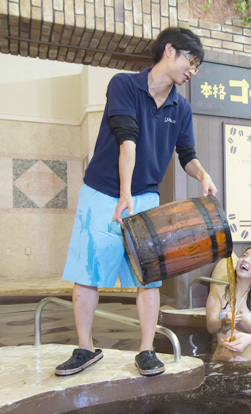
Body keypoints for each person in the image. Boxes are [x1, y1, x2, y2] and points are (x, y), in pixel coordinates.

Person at [56, 27, 217, 377]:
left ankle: (145, 350)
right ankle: (85, 348)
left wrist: (202, 174)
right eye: (192, 61)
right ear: (170, 51)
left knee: (150, 279)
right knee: (87, 275)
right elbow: (127, 139)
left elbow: (186, 154)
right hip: (101, 191)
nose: (194, 70)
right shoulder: (124, 85)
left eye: (198, 65)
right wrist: (123, 192)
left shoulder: (181, 106)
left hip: (145, 195)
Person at [205, 247, 251, 362]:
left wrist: (242, 320)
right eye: (244, 255)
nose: (245, 260)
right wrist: (224, 322)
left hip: (250, 364)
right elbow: (210, 327)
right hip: (221, 362)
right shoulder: (217, 291)